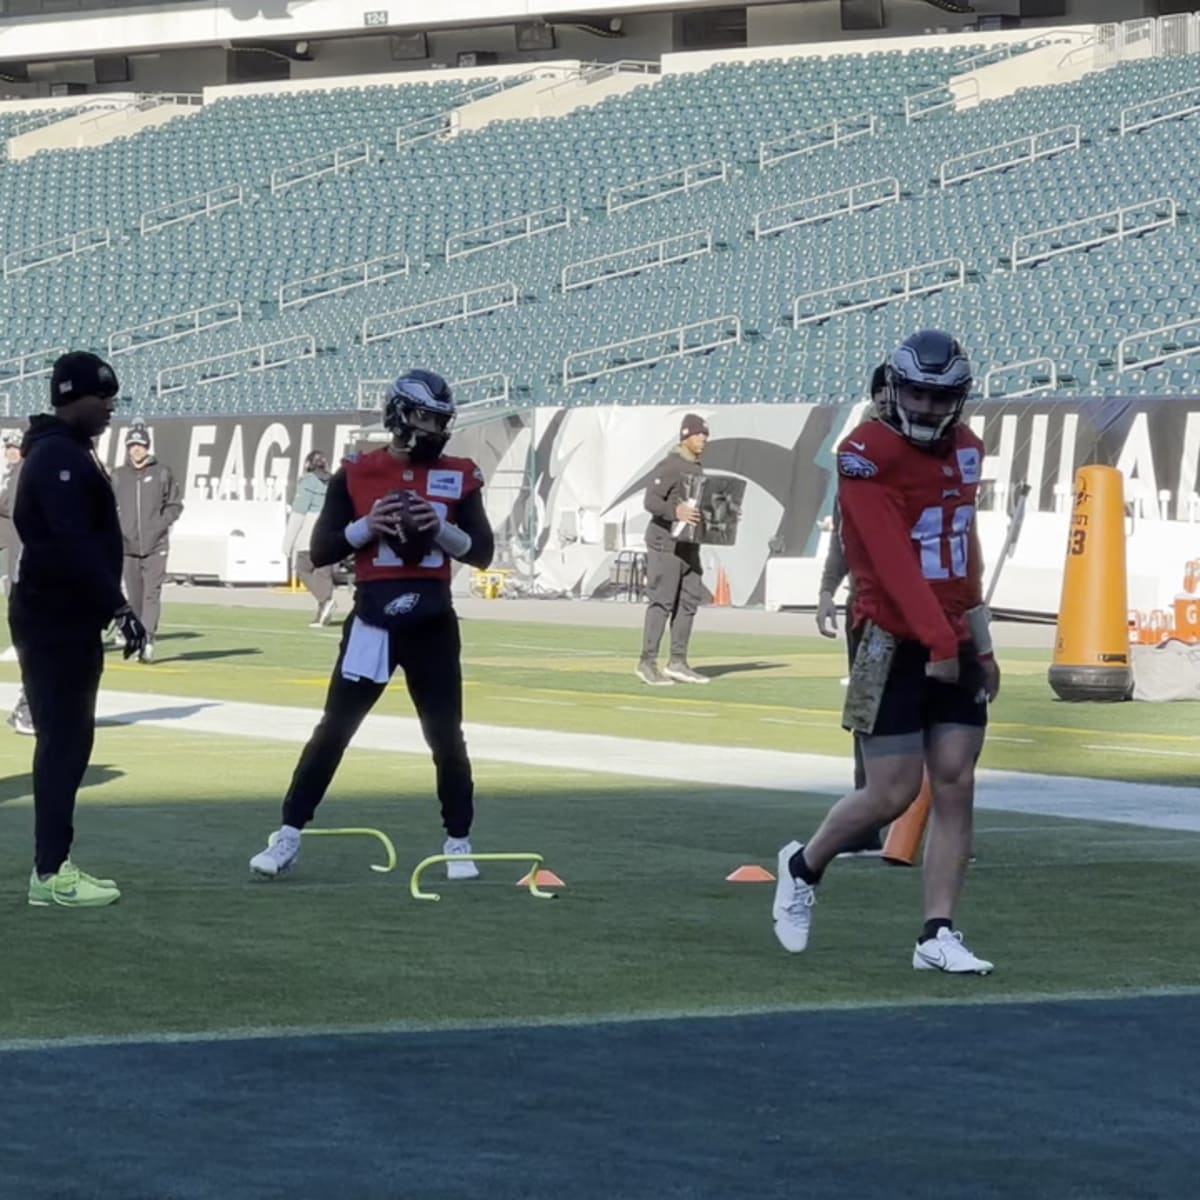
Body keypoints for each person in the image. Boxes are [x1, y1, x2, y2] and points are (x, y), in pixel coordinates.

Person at [771, 331, 1000, 973]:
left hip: (950, 629)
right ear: (894, 389)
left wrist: (979, 638)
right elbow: (894, 563)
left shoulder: (967, 451)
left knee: (956, 779)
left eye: (941, 397)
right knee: (891, 791)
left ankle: (938, 933)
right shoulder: (864, 452)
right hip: (887, 634)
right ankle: (803, 865)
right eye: (919, 394)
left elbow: (963, 548)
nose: (928, 409)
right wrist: (936, 640)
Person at [249, 369, 495, 880]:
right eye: (428, 417)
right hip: (374, 621)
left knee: (445, 735)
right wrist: (369, 526)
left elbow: (484, 553)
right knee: (334, 729)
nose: (436, 430)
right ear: (402, 415)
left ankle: (458, 842)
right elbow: (319, 550)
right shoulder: (358, 472)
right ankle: (288, 833)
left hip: (431, 618)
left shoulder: (460, 473)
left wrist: (441, 530)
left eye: (440, 420)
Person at [9, 351, 146, 908]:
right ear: (74, 398)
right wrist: (118, 605)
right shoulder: (58, 458)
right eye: (102, 397)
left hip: (61, 616)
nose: (111, 407)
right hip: (54, 618)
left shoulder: (64, 451)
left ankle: (54, 865)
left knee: (70, 740)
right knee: (64, 743)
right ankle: (50, 872)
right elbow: (71, 543)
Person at [815, 363, 888, 855]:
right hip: (869, 610)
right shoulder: (859, 454)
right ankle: (867, 818)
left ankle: (935, 821)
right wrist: (827, 588)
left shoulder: (937, 451)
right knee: (866, 716)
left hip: (924, 608)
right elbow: (846, 530)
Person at [636, 412, 710, 686]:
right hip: (664, 543)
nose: (703, 439)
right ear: (685, 436)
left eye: (705, 435)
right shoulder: (670, 465)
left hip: (689, 545)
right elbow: (650, 501)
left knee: (689, 601)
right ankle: (647, 662)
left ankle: (678, 661)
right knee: (662, 601)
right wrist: (674, 511)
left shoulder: (698, 468)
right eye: (698, 434)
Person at [112, 422, 182, 664]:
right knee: (134, 597)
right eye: (132, 445)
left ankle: (149, 639)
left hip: (156, 546)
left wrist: (159, 525)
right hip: (127, 547)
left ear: (147, 447)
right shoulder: (119, 476)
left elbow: (175, 505)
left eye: (140, 445)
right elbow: (108, 506)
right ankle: (137, 637)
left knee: (152, 594)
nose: (136, 450)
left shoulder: (163, 472)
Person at [1, 432, 33, 734]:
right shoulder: (11, 476)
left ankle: (28, 710)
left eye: (14, 447)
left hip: (29, 569)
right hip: (17, 566)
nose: (11, 452)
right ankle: (27, 710)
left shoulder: (25, 475)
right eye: (8, 447)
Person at [284, 449, 336, 627]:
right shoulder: (333, 481)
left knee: (303, 568)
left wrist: (287, 543)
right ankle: (323, 611)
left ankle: (325, 601)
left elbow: (298, 514)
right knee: (323, 572)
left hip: (311, 533)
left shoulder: (307, 482)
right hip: (330, 531)